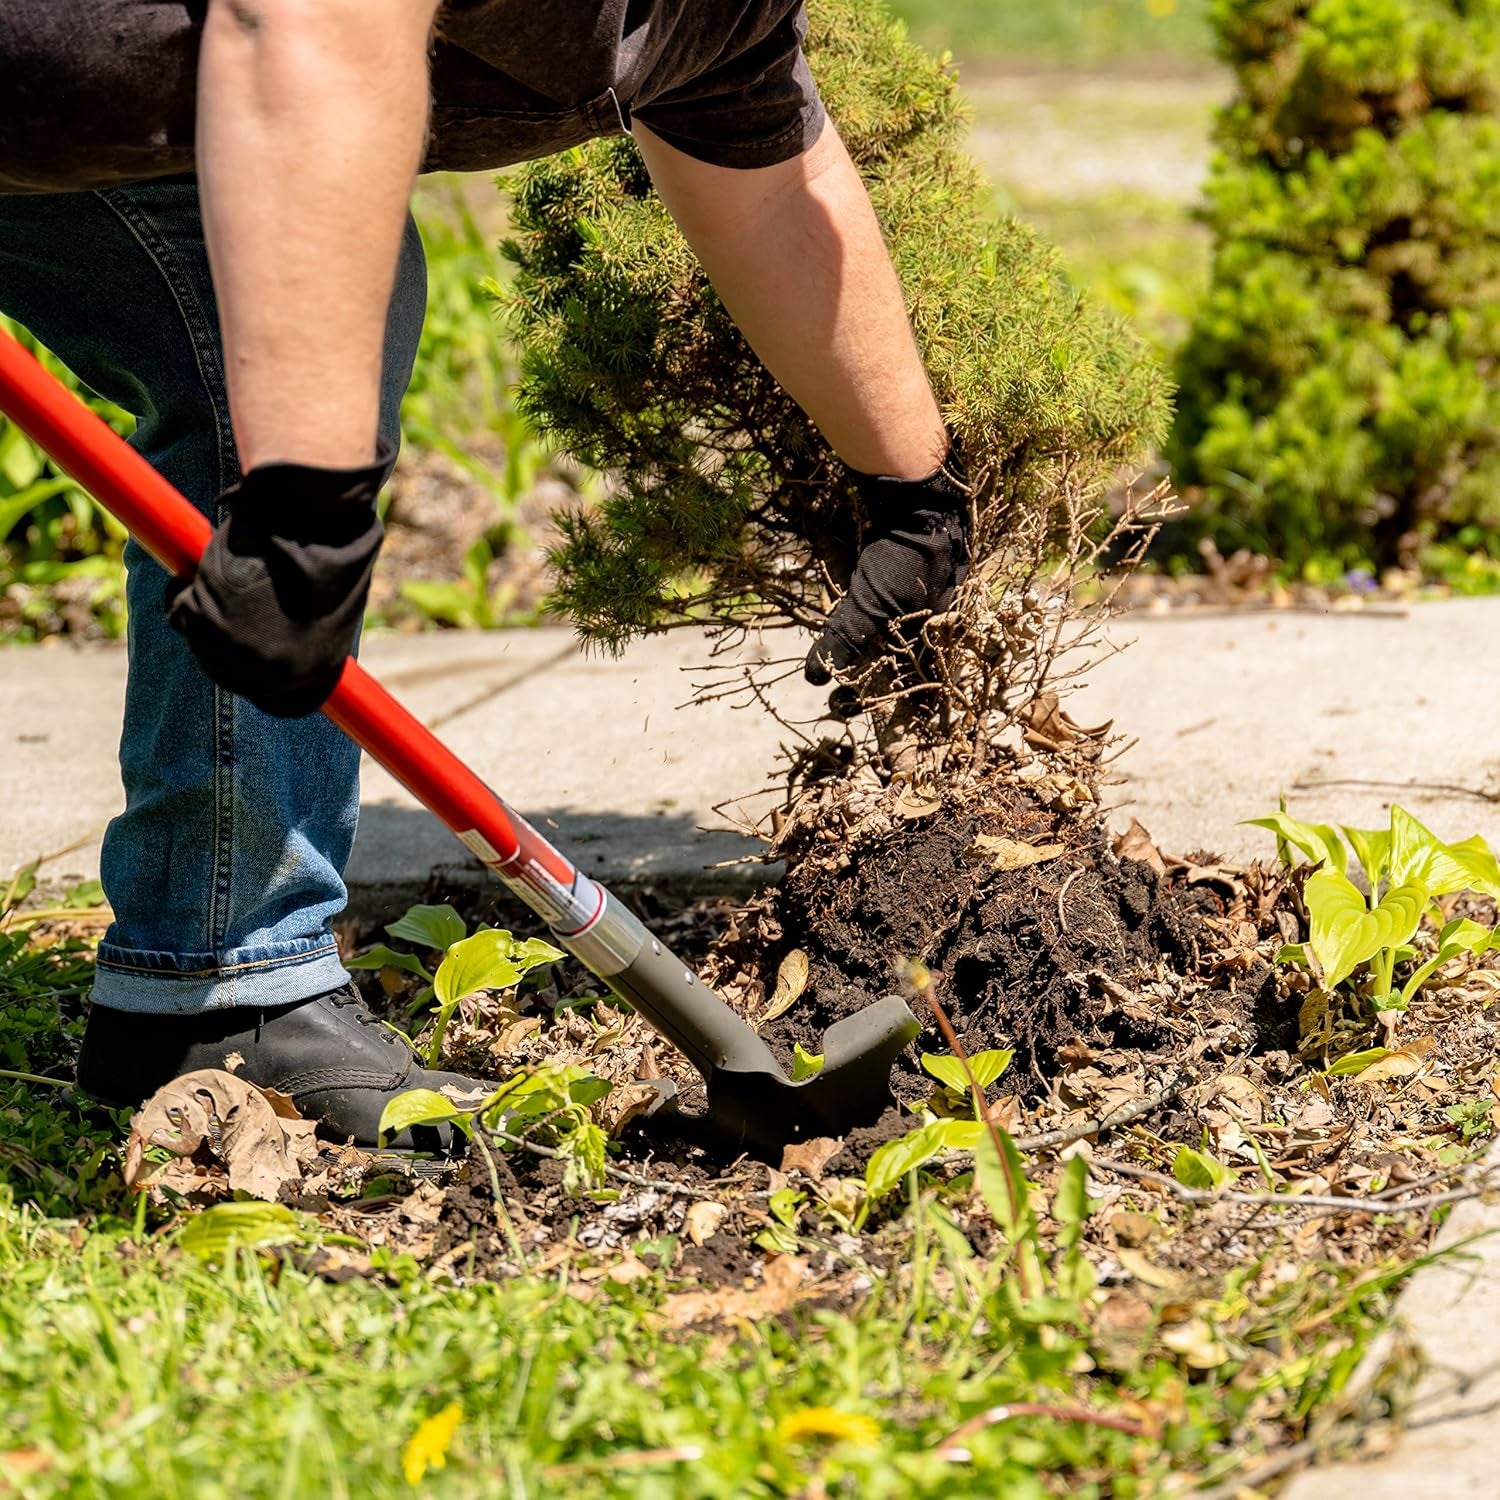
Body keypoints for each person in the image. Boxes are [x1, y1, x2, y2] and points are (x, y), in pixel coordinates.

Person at [0, 1, 970, 1151]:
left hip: (114, 128)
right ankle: (226, 983)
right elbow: (314, 24)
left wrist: (913, 490)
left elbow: (769, 179)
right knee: (288, 346)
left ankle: (219, 988)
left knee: (287, 303)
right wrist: (307, 508)